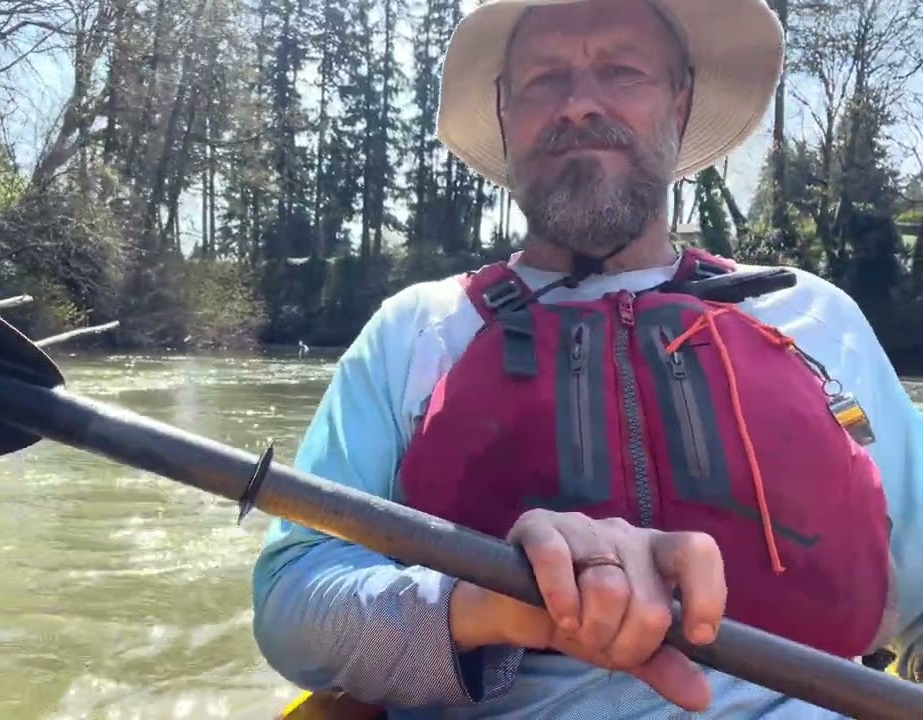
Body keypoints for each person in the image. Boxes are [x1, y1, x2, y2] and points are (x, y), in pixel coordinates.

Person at [250, 0, 923, 717]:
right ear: (505, 113)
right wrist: (483, 604)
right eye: (543, 79)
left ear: (681, 100)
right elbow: (293, 601)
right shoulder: (414, 332)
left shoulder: (817, 319)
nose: (578, 105)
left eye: (621, 70)